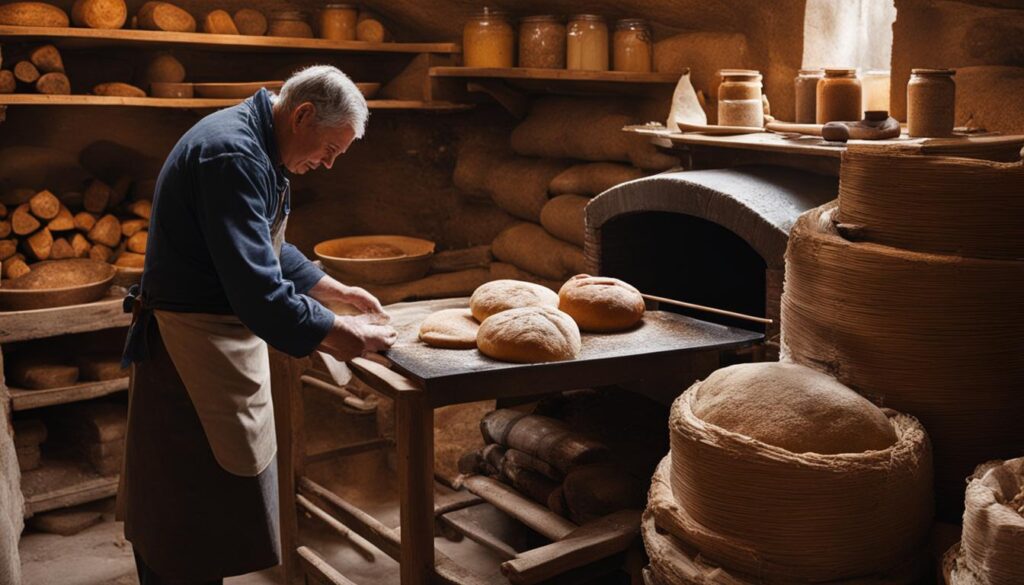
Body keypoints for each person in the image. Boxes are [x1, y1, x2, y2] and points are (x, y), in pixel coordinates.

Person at [118, 65, 396, 585]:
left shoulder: (260, 146)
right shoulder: (232, 154)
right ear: (303, 114)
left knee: (208, 520)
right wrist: (344, 336)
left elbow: (265, 244)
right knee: (182, 519)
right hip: (187, 353)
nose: (329, 163)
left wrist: (331, 288)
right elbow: (259, 291)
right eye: (330, 149)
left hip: (215, 346)